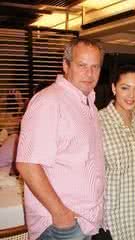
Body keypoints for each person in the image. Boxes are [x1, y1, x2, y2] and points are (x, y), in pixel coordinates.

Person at [16, 38, 106, 240]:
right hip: (60, 227)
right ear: (65, 65)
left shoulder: (89, 103)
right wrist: (61, 215)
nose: (89, 74)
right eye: (82, 65)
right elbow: (27, 164)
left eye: (95, 67)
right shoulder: (50, 101)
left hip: (83, 221)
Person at [99, 65, 135, 240]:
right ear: (113, 88)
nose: (131, 96)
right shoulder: (97, 122)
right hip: (114, 214)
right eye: (125, 88)